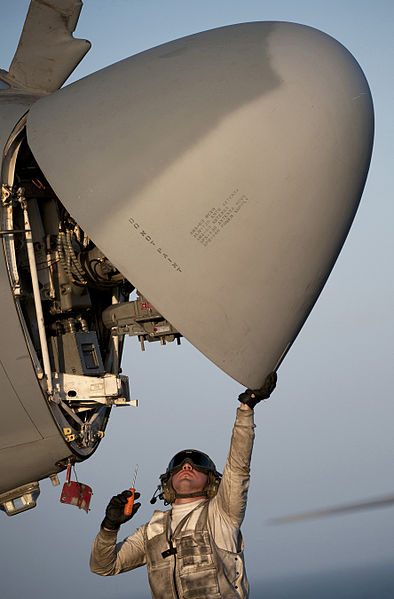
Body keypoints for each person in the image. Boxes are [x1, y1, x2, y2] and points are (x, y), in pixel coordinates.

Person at [90, 372, 277, 599]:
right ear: (168, 481)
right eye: (179, 464)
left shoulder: (222, 514)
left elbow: (238, 468)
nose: (187, 466)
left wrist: (246, 411)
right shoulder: (153, 530)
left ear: (212, 480)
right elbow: (103, 566)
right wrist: (109, 527)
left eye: (197, 464)